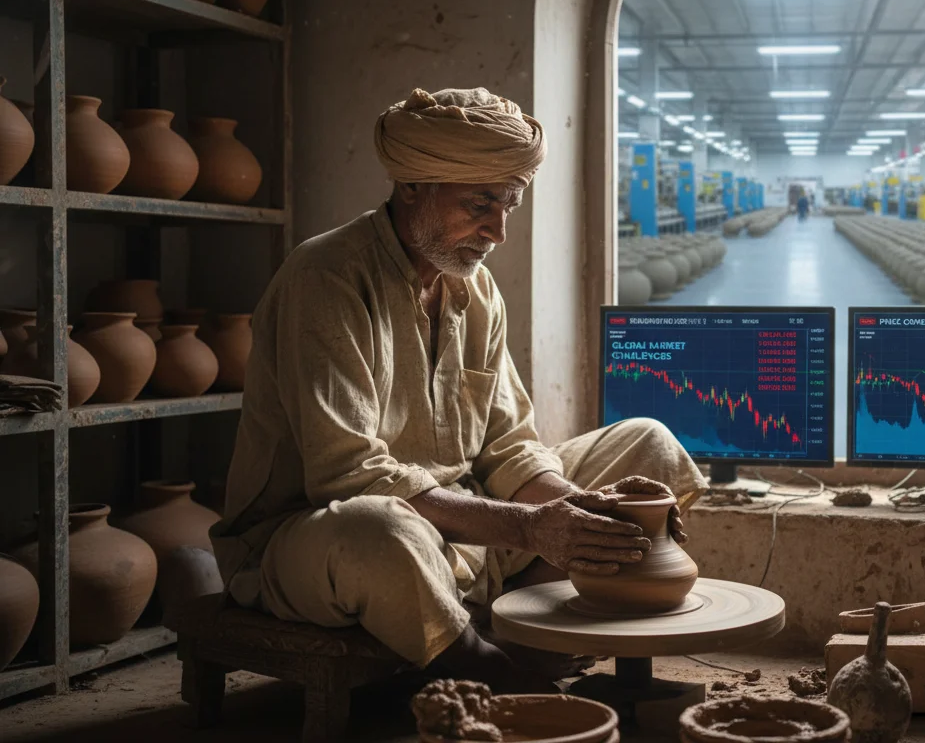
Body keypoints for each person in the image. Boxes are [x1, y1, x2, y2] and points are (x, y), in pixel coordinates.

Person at [210, 87, 707, 692]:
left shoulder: (476, 287)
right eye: (479, 204)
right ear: (413, 185)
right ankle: (492, 665)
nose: (496, 230)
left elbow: (509, 447)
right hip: (317, 541)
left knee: (648, 443)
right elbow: (349, 477)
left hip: (466, 532)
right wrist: (529, 527)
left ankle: (514, 624)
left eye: (510, 206)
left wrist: (581, 510)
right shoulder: (327, 278)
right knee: (385, 532)